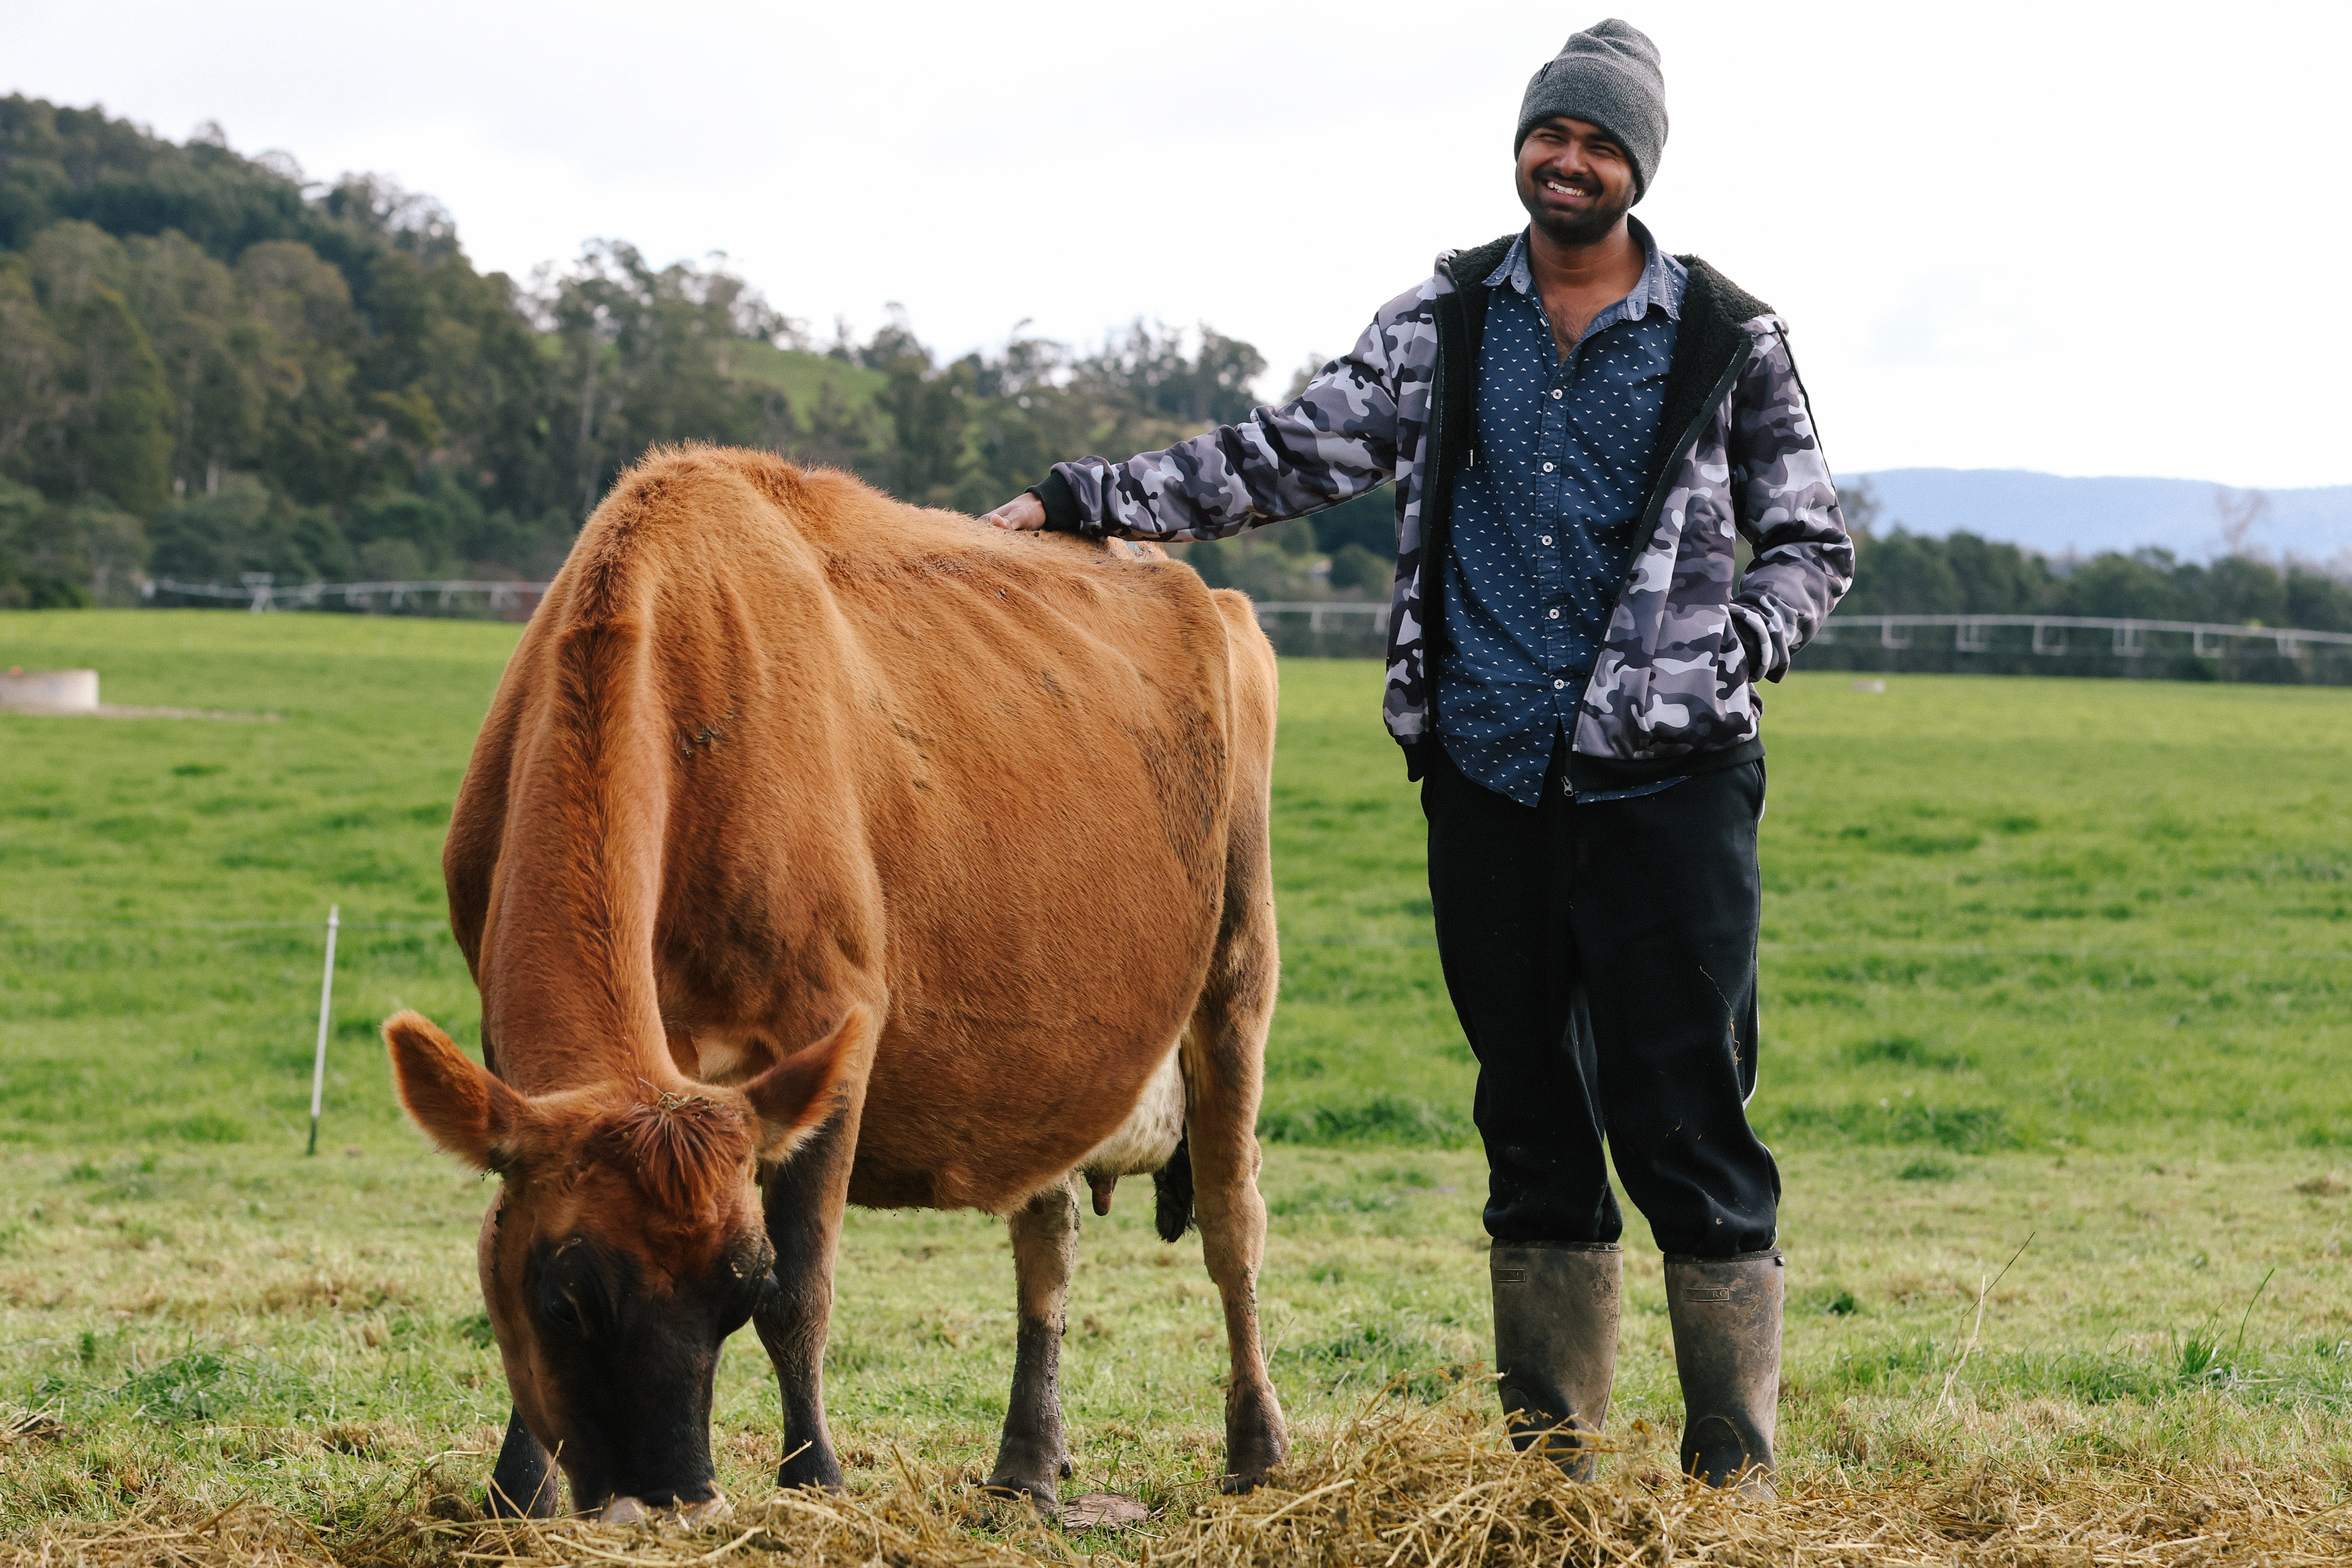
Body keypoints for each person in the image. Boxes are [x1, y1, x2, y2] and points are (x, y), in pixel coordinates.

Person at [983, 18, 1850, 1495]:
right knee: (1526, 1103)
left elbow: (1812, 540)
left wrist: (1731, 653)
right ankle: (1553, 1471)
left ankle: (1733, 1471)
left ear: (1640, 167)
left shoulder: (1728, 336)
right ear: (1524, 146)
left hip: (1673, 789)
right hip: (1490, 779)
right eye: (1551, 134)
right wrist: (1080, 499)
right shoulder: (1444, 322)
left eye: (1599, 142)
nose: (1568, 160)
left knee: (1683, 1103)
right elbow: (1279, 454)